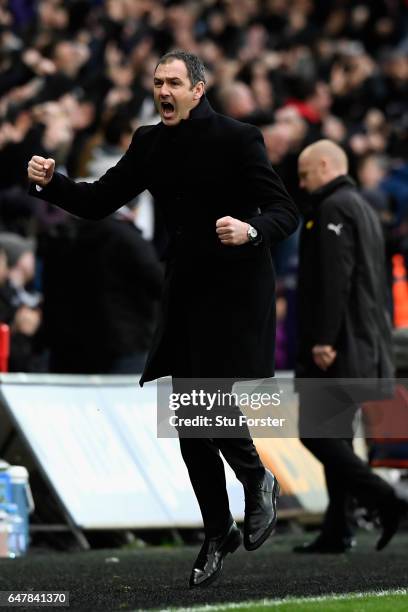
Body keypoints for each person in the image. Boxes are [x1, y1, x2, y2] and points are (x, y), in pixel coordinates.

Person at [27, 50, 299, 587]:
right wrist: (52, 181)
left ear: (199, 88)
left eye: (173, 82)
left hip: (237, 284)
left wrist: (249, 231)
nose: (163, 91)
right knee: (189, 414)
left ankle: (256, 478)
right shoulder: (149, 143)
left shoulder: (239, 137)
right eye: (157, 83)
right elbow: (100, 200)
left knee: (204, 394)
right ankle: (218, 530)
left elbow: (284, 211)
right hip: (186, 285)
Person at [294, 139, 407, 554]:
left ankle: (383, 498)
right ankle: (337, 528)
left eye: (305, 175)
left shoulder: (333, 208)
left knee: (315, 433)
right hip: (364, 341)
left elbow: (334, 278)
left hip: (339, 345)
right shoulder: (362, 206)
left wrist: (324, 338)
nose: (302, 184)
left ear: (325, 166)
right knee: (336, 434)